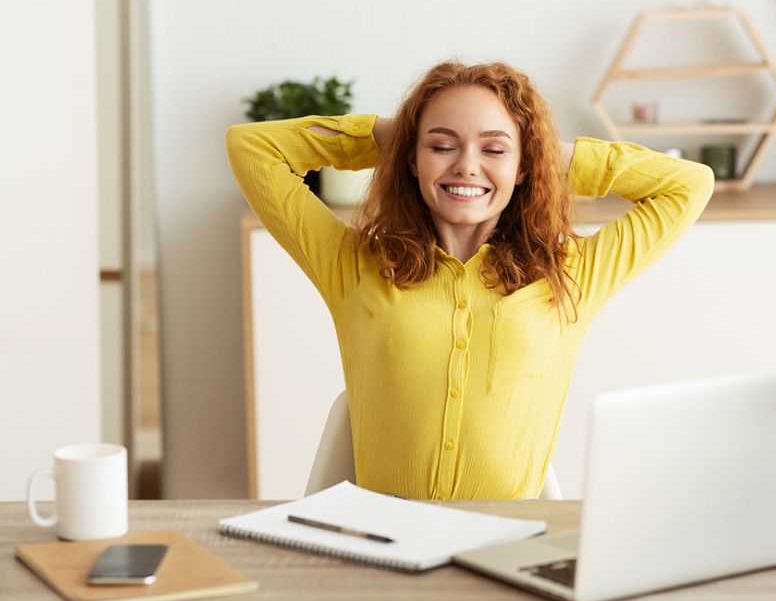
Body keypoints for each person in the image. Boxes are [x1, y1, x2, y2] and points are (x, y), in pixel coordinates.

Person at [226, 60, 713, 500]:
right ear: (411, 159)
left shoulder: (572, 272)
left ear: (524, 166)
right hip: (383, 548)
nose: (466, 166)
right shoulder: (354, 265)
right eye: (441, 145)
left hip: (509, 551)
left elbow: (689, 184)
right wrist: (387, 135)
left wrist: (542, 149)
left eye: (494, 150)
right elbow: (251, 147)